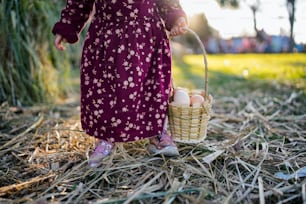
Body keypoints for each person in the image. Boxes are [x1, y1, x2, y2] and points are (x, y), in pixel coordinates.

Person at [52, 0, 188, 167]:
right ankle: (107, 137)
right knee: (107, 88)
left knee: (153, 85)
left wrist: (176, 17)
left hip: (147, 34)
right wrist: (68, 26)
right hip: (109, 35)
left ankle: (156, 133)